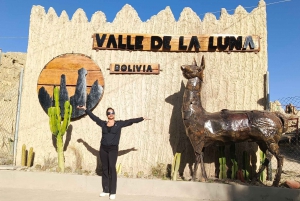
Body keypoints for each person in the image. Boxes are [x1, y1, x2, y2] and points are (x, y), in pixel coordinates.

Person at [77, 105, 150, 200]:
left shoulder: (119, 124)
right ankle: (105, 190)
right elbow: (94, 118)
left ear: (114, 114)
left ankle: (113, 192)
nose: (110, 114)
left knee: (112, 167)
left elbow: (130, 121)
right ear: (107, 115)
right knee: (104, 168)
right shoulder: (103, 124)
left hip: (113, 149)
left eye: (112, 112)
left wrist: (142, 118)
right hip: (103, 148)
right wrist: (85, 109)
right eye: (109, 113)